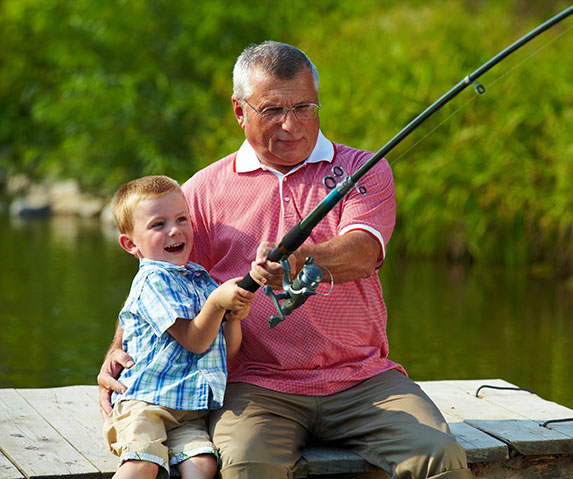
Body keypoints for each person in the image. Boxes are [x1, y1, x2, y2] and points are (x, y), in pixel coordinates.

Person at [98, 42, 471, 479]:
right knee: (245, 467)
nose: (292, 124)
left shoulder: (363, 169)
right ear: (240, 111)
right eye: (272, 110)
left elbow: (363, 253)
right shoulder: (199, 191)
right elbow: (158, 279)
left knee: (439, 456)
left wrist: (297, 258)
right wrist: (117, 350)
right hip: (255, 383)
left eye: (305, 107)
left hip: (363, 379)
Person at [102, 175, 254, 479]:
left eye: (182, 219)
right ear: (131, 243)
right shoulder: (152, 282)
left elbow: (229, 351)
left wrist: (233, 316)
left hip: (189, 410)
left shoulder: (198, 277)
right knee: (143, 462)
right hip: (143, 404)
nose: (174, 230)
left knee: (203, 465)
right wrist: (216, 303)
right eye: (158, 225)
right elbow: (193, 340)